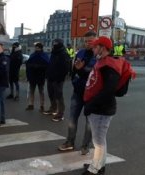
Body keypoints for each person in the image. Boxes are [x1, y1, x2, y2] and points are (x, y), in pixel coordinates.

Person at [82, 36, 121, 175]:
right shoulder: (103, 62)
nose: (92, 49)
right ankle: (100, 165)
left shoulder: (109, 65)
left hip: (102, 109)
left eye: (95, 46)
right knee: (99, 139)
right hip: (100, 108)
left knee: (98, 141)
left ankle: (95, 169)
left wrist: (91, 104)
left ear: (102, 48)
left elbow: (109, 89)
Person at [58, 31, 97, 155]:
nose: (87, 43)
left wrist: (82, 70)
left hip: (91, 93)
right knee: (72, 118)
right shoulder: (80, 52)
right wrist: (76, 72)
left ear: (96, 40)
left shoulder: (98, 55)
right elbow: (75, 69)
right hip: (78, 91)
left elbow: (94, 73)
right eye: (85, 41)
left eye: (90, 41)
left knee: (89, 121)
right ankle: (70, 142)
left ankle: (85, 145)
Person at [43, 38, 70, 122]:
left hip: (58, 79)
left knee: (59, 96)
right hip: (51, 77)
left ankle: (60, 113)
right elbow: (51, 64)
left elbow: (66, 68)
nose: (54, 45)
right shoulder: (54, 52)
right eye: (53, 43)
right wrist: (47, 74)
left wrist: (60, 78)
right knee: (51, 94)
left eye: (56, 43)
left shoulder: (63, 53)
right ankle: (53, 108)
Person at [25, 42, 49, 112]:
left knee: (41, 91)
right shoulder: (32, 55)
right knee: (31, 91)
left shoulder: (44, 55)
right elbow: (28, 65)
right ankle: (31, 104)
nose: (36, 48)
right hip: (32, 76)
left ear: (41, 48)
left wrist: (38, 66)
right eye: (35, 47)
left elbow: (47, 65)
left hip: (40, 76)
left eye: (37, 47)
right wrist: (28, 74)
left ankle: (42, 106)